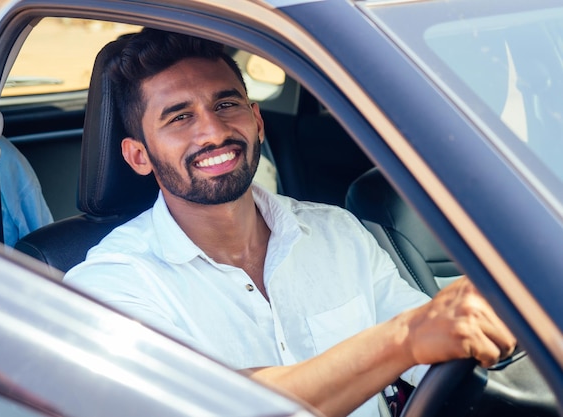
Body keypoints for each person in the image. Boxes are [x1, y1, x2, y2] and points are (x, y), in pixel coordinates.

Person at [63, 29, 516, 417]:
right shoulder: (111, 284)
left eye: (226, 105)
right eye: (180, 117)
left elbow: (436, 359)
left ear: (257, 120)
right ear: (139, 156)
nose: (213, 132)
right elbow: (212, 406)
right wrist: (404, 340)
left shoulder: (338, 232)